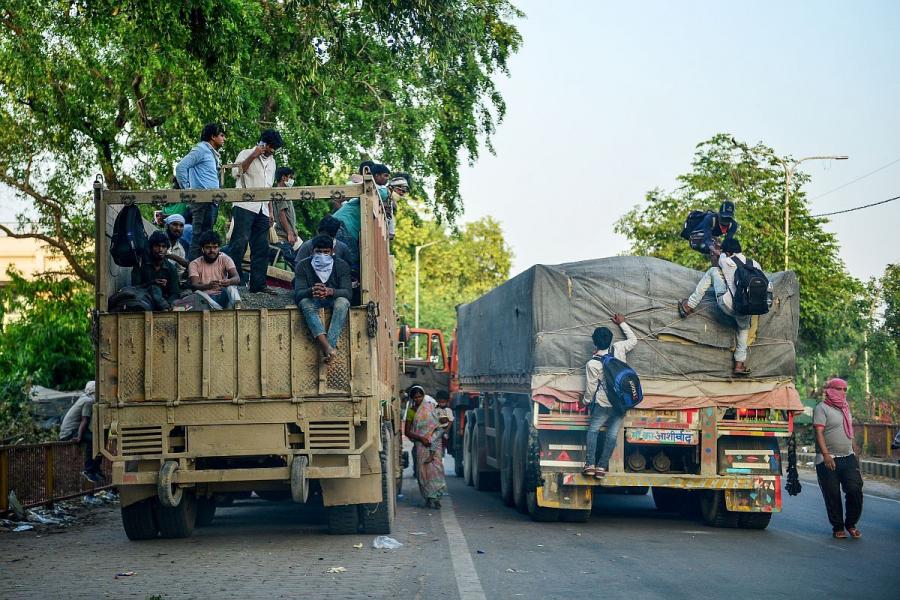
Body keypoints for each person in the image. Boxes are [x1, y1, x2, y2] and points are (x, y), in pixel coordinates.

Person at [678, 237, 758, 374]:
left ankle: (689, 305)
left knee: (712, 271)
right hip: (747, 307)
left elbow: (716, 259)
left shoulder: (726, 261)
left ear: (727, 252)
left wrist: (712, 247)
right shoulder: (754, 264)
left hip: (728, 305)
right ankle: (739, 364)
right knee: (743, 329)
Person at [582, 313, 638, 478]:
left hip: (603, 404)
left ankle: (590, 464)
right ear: (611, 339)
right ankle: (601, 467)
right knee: (612, 434)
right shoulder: (619, 348)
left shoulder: (592, 363)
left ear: (594, 342)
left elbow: (591, 388)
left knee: (593, 430)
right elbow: (634, 340)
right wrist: (622, 323)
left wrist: (585, 401)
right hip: (621, 402)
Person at [228, 129, 283, 293]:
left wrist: (270, 211)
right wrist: (253, 155)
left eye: (274, 148)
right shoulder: (246, 153)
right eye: (269, 147)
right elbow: (235, 173)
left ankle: (258, 285)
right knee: (239, 244)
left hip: (263, 209)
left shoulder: (272, 162)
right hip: (244, 206)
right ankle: (233, 283)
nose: (271, 151)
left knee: (261, 247)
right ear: (262, 143)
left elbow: (269, 188)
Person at [814, 378, 863, 539]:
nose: (843, 392)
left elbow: (849, 431)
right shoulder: (822, 408)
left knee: (855, 489)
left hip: (848, 457)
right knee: (832, 494)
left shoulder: (845, 408)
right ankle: (838, 527)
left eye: (845, 389)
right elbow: (819, 432)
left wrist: (854, 449)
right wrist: (826, 455)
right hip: (828, 459)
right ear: (831, 390)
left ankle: (851, 523)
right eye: (839, 389)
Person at [294, 235, 352, 362]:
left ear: (332, 251)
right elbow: (298, 294)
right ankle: (327, 347)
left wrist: (331, 291)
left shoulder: (342, 266)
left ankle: (328, 347)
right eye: (318, 251)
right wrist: (311, 291)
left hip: (332, 300)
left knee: (342, 302)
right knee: (305, 303)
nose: (322, 255)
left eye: (326, 252)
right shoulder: (302, 266)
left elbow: (348, 293)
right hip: (313, 301)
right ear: (312, 251)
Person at [175, 122, 226, 260]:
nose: (224, 139)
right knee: (199, 239)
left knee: (205, 240)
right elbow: (180, 168)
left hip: (211, 202)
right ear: (212, 136)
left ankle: (201, 274)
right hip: (202, 202)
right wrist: (188, 191)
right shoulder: (201, 149)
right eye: (221, 135)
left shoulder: (210, 153)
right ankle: (192, 275)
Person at [405, 386, 447, 508]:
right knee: (423, 472)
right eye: (415, 397)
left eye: (420, 396)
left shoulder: (431, 407)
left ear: (424, 396)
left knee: (436, 470)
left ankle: (437, 498)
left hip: (434, 443)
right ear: (412, 398)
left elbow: (441, 422)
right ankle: (428, 497)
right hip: (421, 445)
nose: (418, 399)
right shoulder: (411, 411)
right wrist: (421, 439)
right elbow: (407, 432)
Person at [59, 381, 102, 484]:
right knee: (94, 440)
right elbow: (84, 420)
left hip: (71, 430)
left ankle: (95, 469)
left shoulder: (84, 398)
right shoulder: (88, 401)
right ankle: (89, 470)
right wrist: (79, 437)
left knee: (98, 439)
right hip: (70, 432)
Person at [188, 230, 242, 309]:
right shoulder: (194, 264)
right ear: (202, 249)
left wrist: (229, 281)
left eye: (215, 247)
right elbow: (194, 285)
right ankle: (217, 309)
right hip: (205, 297)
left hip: (222, 294)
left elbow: (237, 278)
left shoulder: (225, 258)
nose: (212, 251)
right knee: (198, 294)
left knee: (232, 288)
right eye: (208, 247)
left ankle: (237, 307)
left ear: (219, 248)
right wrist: (208, 286)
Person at [131, 231, 181, 310]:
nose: (160, 249)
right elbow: (134, 289)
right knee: (154, 289)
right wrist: (152, 283)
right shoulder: (141, 265)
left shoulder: (171, 268)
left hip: (164, 304)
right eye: (157, 246)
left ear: (166, 249)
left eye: (163, 246)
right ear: (151, 248)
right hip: (144, 302)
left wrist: (169, 303)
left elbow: (175, 293)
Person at [271, 166, 301, 267]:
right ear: (284, 178)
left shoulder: (286, 193)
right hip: (283, 235)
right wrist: (289, 233)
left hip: (288, 233)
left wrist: (293, 230)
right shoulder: (280, 193)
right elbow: (281, 214)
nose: (292, 180)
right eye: (291, 177)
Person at [425, 391, 454, 464]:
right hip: (436, 428)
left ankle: (432, 456)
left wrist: (447, 430)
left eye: (443, 402)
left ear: (447, 401)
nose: (441, 404)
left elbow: (450, 421)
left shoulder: (447, 410)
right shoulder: (436, 409)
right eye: (440, 402)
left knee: (434, 440)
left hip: (443, 429)